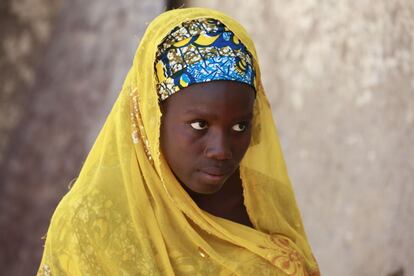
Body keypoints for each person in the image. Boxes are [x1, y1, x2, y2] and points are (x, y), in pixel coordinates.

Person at [38, 7, 320, 276]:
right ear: (151, 119)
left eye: (240, 126)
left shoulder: (262, 204)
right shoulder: (91, 223)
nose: (222, 150)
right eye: (200, 125)